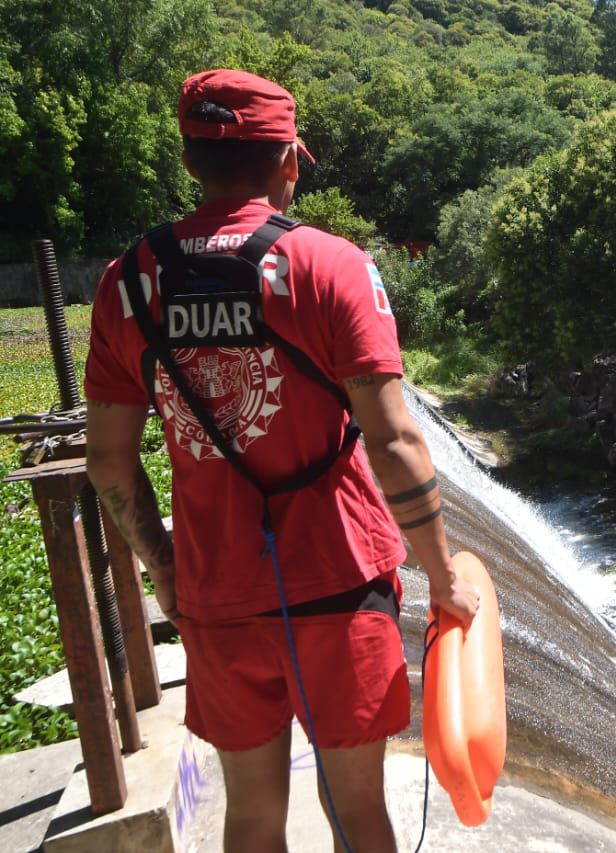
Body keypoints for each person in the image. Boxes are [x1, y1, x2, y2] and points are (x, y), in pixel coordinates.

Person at [84, 69, 479, 852]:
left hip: (217, 590)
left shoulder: (126, 283)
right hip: (340, 582)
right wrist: (443, 575)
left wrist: (165, 567)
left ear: (190, 162)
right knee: (357, 810)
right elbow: (395, 442)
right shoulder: (332, 265)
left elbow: (108, 462)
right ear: (289, 162)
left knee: (253, 814)